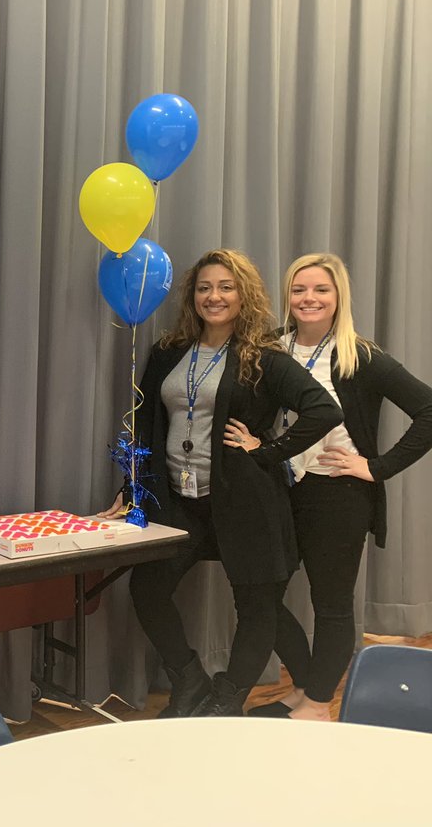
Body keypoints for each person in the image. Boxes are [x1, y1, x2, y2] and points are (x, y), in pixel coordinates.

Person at [101, 249, 342, 717]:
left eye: (226, 287)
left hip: (245, 502)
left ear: (244, 295)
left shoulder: (261, 357)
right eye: (205, 287)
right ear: (193, 296)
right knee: (146, 589)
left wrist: (266, 450)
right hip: (180, 502)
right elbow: (147, 422)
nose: (214, 296)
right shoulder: (169, 351)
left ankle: (227, 700)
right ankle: (188, 678)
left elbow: (323, 409)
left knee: (256, 606)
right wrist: (133, 486)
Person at [236, 253, 432, 720]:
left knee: (331, 604)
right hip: (280, 488)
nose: (309, 298)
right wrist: (256, 442)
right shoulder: (272, 348)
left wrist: (376, 467)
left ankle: (319, 703)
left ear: (338, 296)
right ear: (288, 296)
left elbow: (428, 410)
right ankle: (304, 685)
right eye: (299, 289)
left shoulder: (359, 355)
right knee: (258, 593)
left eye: (321, 289)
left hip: (338, 494)